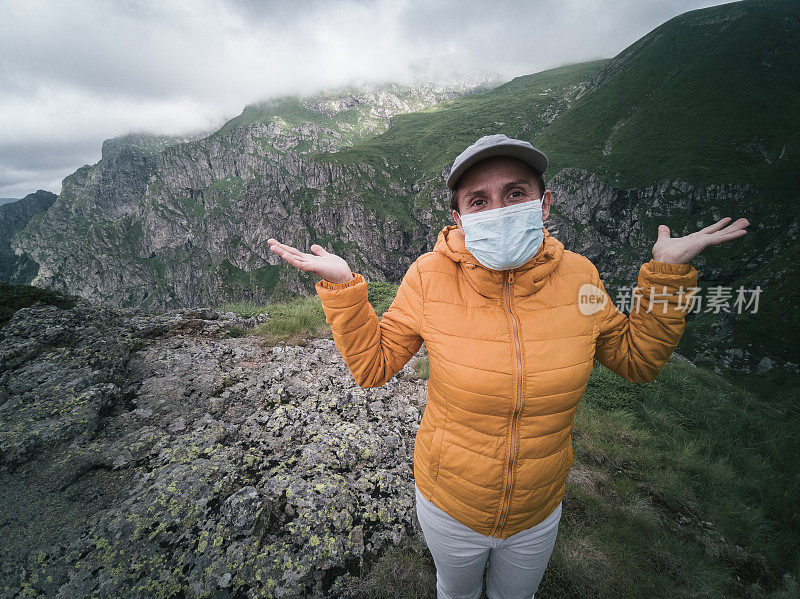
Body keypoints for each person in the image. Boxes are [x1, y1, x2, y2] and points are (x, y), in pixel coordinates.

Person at [267, 134, 749, 599]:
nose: (498, 210)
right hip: (449, 502)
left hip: (538, 509)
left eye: (515, 193)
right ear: (458, 218)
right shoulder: (428, 277)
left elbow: (637, 360)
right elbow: (373, 366)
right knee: (455, 592)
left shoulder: (580, 276)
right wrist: (343, 286)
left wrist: (666, 276)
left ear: (544, 203)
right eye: (478, 200)